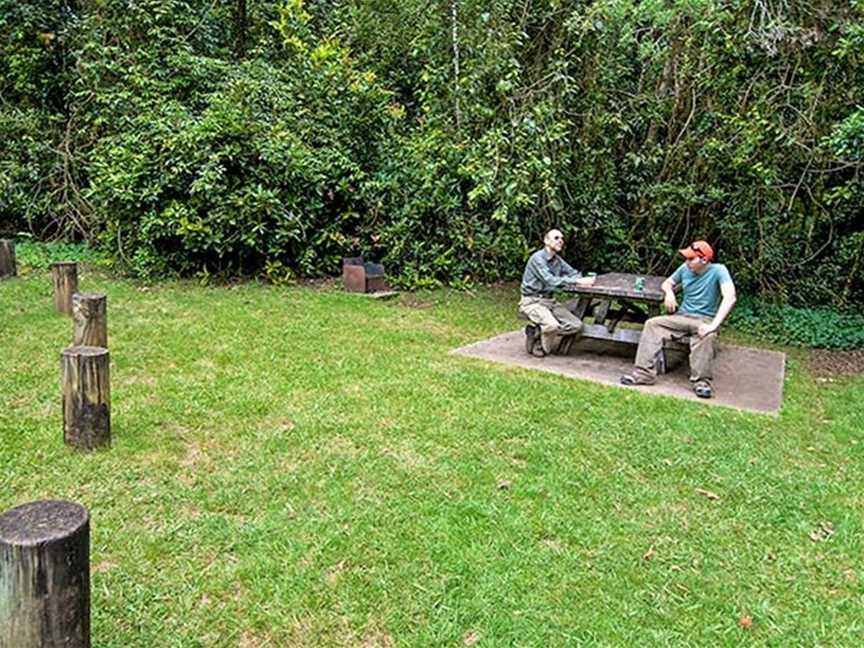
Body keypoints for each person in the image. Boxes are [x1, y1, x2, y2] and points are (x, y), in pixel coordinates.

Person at [620, 240, 736, 398]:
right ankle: (644, 374)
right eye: (686, 258)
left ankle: (701, 382)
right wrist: (669, 293)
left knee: (707, 336)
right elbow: (667, 282)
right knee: (652, 324)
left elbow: (730, 297)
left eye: (691, 259)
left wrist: (713, 326)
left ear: (704, 260)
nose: (687, 262)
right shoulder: (685, 268)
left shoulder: (719, 270)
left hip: (704, 320)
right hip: (681, 316)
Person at [519, 229, 595, 357]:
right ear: (546, 241)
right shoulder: (537, 259)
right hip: (532, 301)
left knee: (576, 326)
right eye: (556, 238)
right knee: (552, 325)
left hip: (549, 301)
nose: (560, 241)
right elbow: (550, 281)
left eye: (561, 238)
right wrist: (577, 281)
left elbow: (573, 272)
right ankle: (542, 347)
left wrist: (582, 279)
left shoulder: (557, 260)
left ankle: (537, 332)